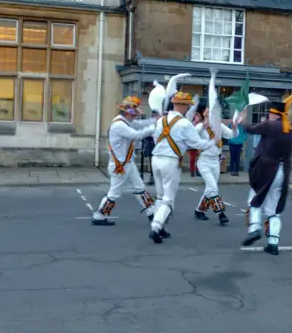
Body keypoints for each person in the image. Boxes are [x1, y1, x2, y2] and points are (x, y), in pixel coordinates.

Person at [241, 93, 292, 255]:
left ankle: (254, 228)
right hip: (283, 171)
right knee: (273, 210)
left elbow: (251, 129)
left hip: (267, 169)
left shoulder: (270, 125)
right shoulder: (290, 128)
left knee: (254, 199)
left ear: (274, 113)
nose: (268, 114)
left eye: (270, 112)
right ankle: (273, 243)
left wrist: (241, 120)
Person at [148, 92, 215, 243]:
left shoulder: (161, 120)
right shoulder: (184, 123)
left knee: (160, 195)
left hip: (156, 159)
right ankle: (156, 226)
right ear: (183, 106)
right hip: (170, 161)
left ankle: (161, 227)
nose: (188, 109)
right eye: (187, 106)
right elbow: (196, 143)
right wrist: (212, 142)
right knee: (168, 199)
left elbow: (154, 138)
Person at [92, 96, 158, 226]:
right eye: (134, 114)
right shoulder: (119, 125)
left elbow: (140, 124)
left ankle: (151, 212)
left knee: (140, 187)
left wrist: (156, 120)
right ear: (128, 112)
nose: (136, 117)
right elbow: (137, 135)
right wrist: (154, 127)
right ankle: (99, 216)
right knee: (114, 193)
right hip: (120, 165)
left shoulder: (124, 121)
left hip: (127, 163)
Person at [193, 108, 239, 225]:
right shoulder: (201, 127)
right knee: (213, 187)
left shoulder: (219, 127)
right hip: (204, 161)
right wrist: (201, 126)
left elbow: (232, 135)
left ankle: (199, 210)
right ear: (205, 117)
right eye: (209, 117)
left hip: (215, 161)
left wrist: (234, 127)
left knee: (210, 189)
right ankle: (220, 213)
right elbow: (191, 135)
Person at [188, 112, 203, 177]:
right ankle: (192, 171)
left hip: (199, 144)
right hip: (193, 144)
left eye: (197, 117)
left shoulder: (201, 125)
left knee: (199, 158)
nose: (196, 118)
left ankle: (197, 171)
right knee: (192, 159)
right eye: (195, 117)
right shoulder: (191, 124)